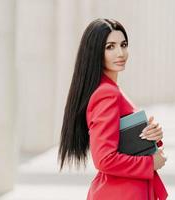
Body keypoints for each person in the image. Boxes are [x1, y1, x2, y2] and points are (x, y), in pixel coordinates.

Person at [58, 18, 168, 200]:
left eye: (123, 45)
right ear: (95, 52)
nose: (120, 53)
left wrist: (150, 135)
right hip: (121, 192)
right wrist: (149, 163)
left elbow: (119, 142)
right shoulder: (107, 93)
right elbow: (104, 159)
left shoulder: (109, 89)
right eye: (110, 47)